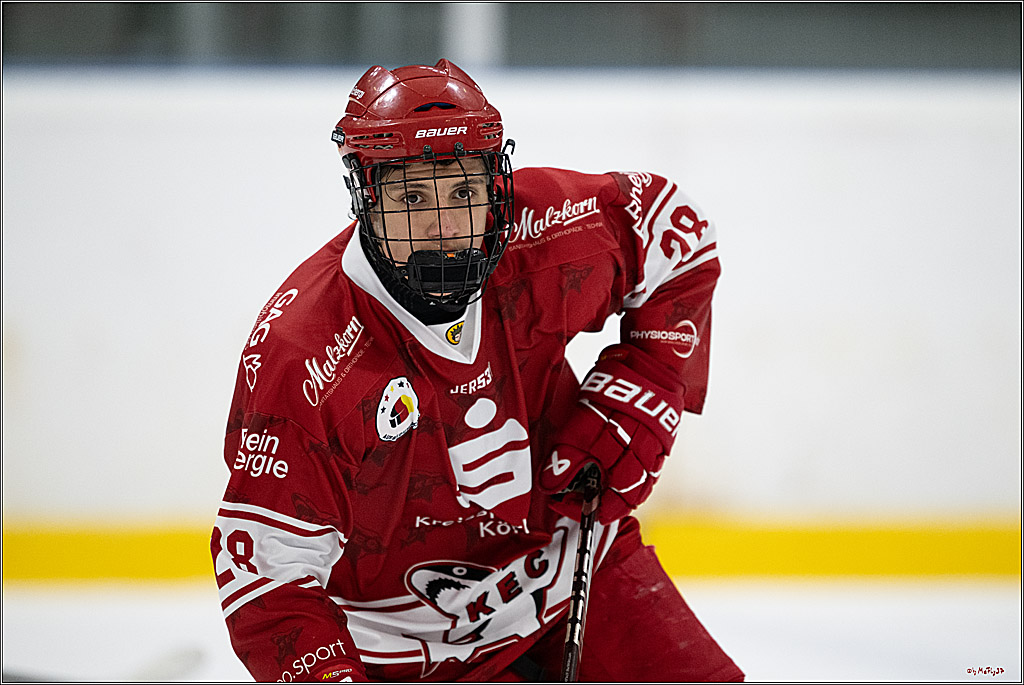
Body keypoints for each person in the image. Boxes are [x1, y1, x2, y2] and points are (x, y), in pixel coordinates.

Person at [212, 59, 743, 683]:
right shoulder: (307, 355)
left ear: (496, 183)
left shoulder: (540, 233)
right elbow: (267, 576)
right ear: (364, 193)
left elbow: (672, 229)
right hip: (409, 648)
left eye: (464, 193)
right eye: (412, 198)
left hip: (571, 572)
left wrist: (644, 389)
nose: (442, 228)